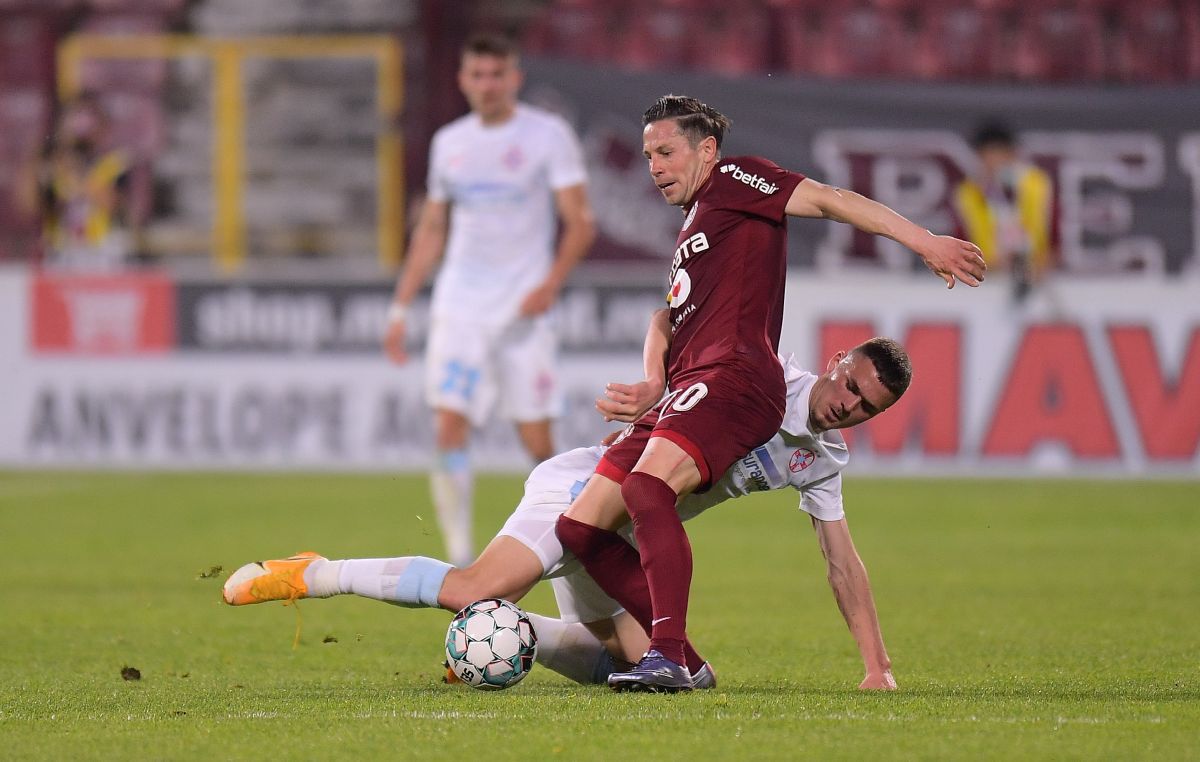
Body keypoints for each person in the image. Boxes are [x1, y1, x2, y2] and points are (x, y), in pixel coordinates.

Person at [554, 94, 986, 692]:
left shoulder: (734, 180)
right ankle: (685, 660)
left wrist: (925, 242)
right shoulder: (699, 223)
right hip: (689, 385)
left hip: (735, 378)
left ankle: (668, 654)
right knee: (580, 531)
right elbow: (666, 318)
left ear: (707, 150)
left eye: (667, 152)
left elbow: (830, 200)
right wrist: (655, 383)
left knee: (646, 489)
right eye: (649, 155)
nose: (654, 166)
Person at [223, 335, 910, 692]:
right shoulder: (759, 372)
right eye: (850, 384)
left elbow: (841, 563)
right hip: (585, 490)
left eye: (866, 407)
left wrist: (876, 666)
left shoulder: (821, 457)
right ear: (835, 361)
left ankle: (507, 635)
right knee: (474, 587)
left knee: (637, 670)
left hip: (622, 540)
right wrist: (656, 383)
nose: (848, 405)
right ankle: (316, 572)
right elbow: (669, 319)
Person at [382, 34, 596, 567]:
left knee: (538, 441)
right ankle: (459, 556)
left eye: (497, 74)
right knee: (449, 425)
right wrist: (400, 307)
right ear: (463, 81)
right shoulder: (449, 142)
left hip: (522, 311)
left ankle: (573, 541)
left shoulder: (547, 135)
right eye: (477, 75)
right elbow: (433, 228)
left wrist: (549, 285)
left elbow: (580, 223)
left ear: (514, 78)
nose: (487, 85)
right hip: (460, 307)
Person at [15, 92, 145, 270]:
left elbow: (113, 205)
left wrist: (76, 173)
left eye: (89, 119)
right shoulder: (53, 162)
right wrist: (38, 165)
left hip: (103, 255)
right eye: (76, 118)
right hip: (62, 254)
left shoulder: (114, 162)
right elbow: (29, 206)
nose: (82, 127)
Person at [954, 119, 1055, 302]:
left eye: (1000, 154)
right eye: (988, 155)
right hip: (984, 284)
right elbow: (958, 244)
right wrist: (990, 264)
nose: (994, 162)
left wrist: (1040, 264)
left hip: (1038, 279)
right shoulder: (968, 194)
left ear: (1013, 154)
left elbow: (1055, 239)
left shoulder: (1037, 185)